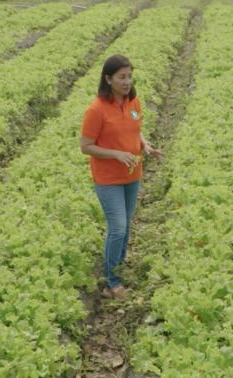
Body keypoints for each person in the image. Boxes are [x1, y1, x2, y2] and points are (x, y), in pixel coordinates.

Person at [80, 54, 162, 300]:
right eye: (121, 77)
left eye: (129, 76)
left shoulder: (133, 102)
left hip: (132, 173)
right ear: (108, 79)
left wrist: (145, 145)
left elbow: (135, 131)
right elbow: (86, 146)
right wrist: (115, 154)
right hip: (108, 178)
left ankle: (118, 266)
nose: (127, 82)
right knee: (117, 228)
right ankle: (111, 283)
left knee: (125, 226)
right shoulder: (96, 109)